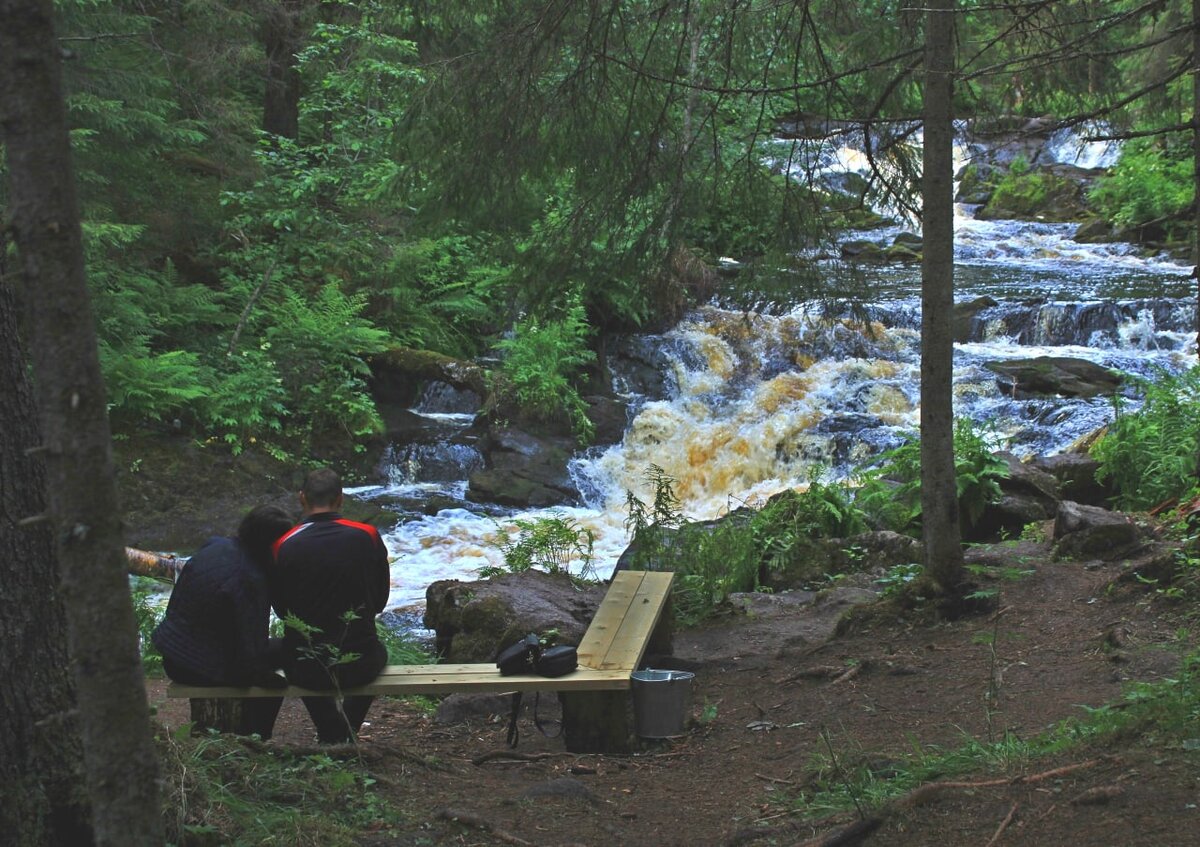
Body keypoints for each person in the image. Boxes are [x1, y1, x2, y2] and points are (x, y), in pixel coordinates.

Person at [152, 504, 294, 739]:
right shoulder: (250, 578)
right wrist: (267, 678)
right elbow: (251, 649)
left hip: (174, 654)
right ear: (270, 544)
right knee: (283, 660)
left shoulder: (214, 545)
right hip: (199, 668)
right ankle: (256, 737)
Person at [272, 468, 390, 743]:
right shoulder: (367, 535)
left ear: (302, 498)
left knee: (298, 655)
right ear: (341, 499)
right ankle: (344, 732)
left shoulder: (283, 545)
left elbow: (281, 610)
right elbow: (380, 599)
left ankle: (331, 730)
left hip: (306, 666)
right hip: (360, 662)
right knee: (377, 653)